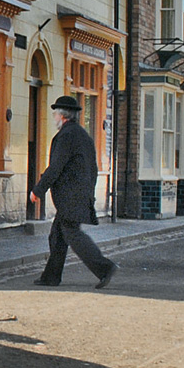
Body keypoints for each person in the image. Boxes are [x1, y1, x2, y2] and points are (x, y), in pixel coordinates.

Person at [30, 95, 116, 289]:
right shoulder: (82, 135)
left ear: (62, 116)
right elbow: (92, 168)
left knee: (73, 235)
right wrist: (89, 192)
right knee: (57, 237)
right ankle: (50, 277)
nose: (54, 117)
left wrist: (38, 190)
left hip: (70, 196)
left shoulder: (67, 136)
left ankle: (104, 268)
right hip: (78, 194)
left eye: (55, 114)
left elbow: (56, 167)